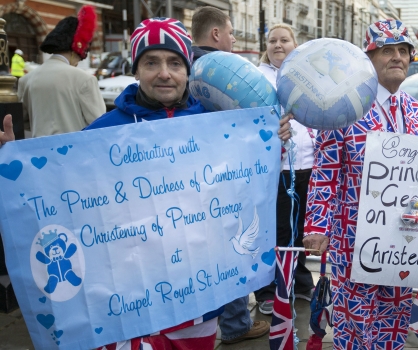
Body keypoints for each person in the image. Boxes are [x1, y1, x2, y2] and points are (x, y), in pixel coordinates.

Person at [83, 17, 291, 349]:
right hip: (134, 300)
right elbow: (64, 189)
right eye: (151, 62)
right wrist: (13, 163)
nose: (164, 73)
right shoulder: (104, 131)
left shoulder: (214, 123)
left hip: (199, 298)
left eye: (174, 63)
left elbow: (246, 183)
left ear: (188, 69)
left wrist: (273, 144)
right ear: (137, 70)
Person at [303, 19, 418, 349]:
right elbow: (325, 171)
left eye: (404, 50)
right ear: (368, 58)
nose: (398, 57)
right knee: (354, 313)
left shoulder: (416, 111)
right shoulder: (343, 107)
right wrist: (318, 225)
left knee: (395, 313)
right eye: (387, 50)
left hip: (404, 233)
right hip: (352, 233)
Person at [190, 6, 270, 345]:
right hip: (223, 178)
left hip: (192, 180)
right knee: (232, 247)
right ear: (216, 34)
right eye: (232, 32)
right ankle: (237, 325)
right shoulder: (221, 70)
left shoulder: (183, 65)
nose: (235, 38)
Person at [254, 23, 315, 315]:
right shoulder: (257, 78)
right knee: (275, 230)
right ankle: (269, 290)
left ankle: (301, 284)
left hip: (308, 165)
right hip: (274, 169)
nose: (278, 45)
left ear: (296, 44)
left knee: (302, 228)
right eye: (272, 41)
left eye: (284, 40)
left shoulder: (309, 75)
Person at [17, 5, 105, 137]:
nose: (78, 63)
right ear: (76, 50)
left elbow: (23, 120)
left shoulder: (26, 80)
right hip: (75, 152)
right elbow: (99, 123)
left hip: (40, 153)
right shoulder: (85, 79)